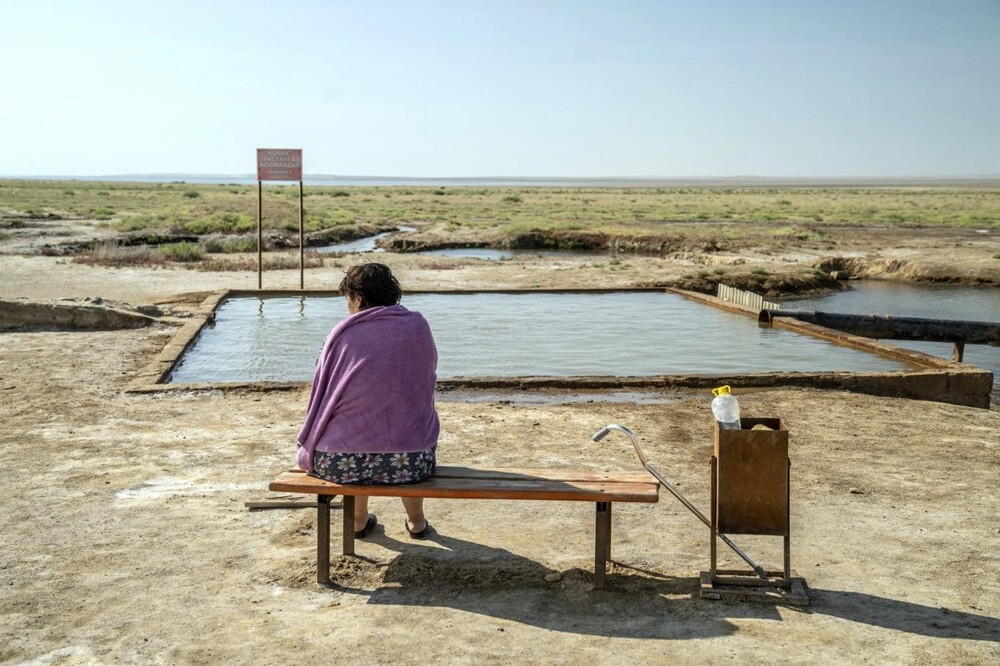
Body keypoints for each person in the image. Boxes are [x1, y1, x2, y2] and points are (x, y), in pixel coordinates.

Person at [297, 263, 439, 539]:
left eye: (347, 299)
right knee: (407, 424)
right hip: (410, 461)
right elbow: (426, 378)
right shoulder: (418, 326)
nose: (347, 307)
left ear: (358, 297)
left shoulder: (342, 333)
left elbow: (321, 384)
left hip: (340, 461)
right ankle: (417, 522)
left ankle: (358, 520)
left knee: (352, 427)